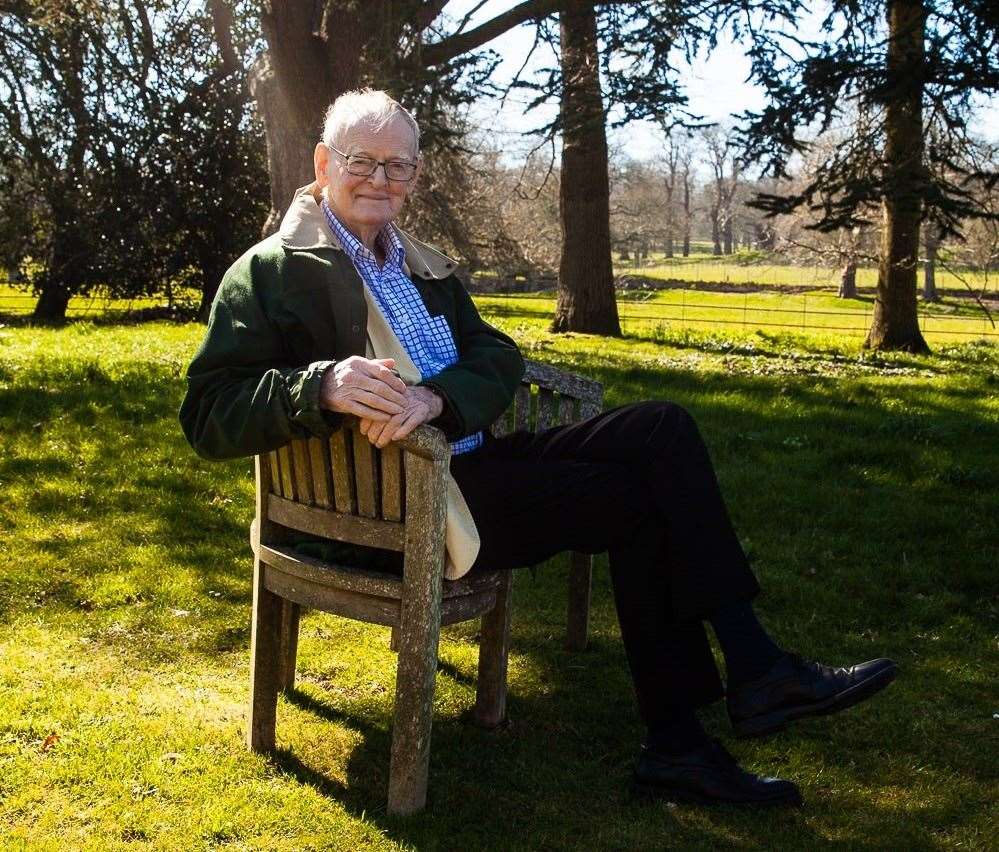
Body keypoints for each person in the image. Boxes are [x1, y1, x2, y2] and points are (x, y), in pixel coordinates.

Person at [180, 88, 896, 808]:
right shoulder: (273, 269)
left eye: (397, 167)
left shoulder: (419, 265)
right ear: (322, 162)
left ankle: (742, 680)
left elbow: (496, 354)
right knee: (638, 505)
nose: (379, 181)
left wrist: (439, 398)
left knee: (661, 428)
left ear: (416, 175)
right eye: (361, 161)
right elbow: (209, 414)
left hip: (468, 464)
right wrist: (319, 387)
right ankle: (716, 710)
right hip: (396, 508)